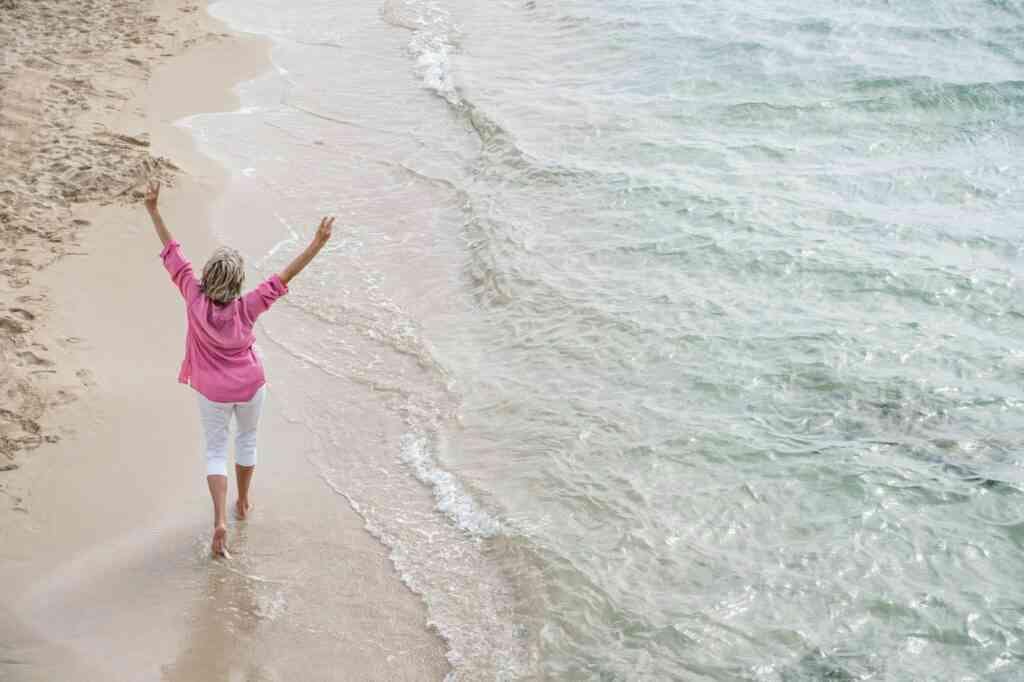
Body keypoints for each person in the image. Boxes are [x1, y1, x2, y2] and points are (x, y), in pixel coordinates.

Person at [144, 180, 334, 557]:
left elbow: (171, 251)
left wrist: (153, 210)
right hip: (250, 385)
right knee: (247, 440)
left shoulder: (192, 294)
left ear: (208, 276)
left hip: (211, 390)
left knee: (215, 450)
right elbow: (284, 277)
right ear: (237, 283)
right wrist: (317, 243)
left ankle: (219, 520)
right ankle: (244, 502)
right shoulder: (248, 306)